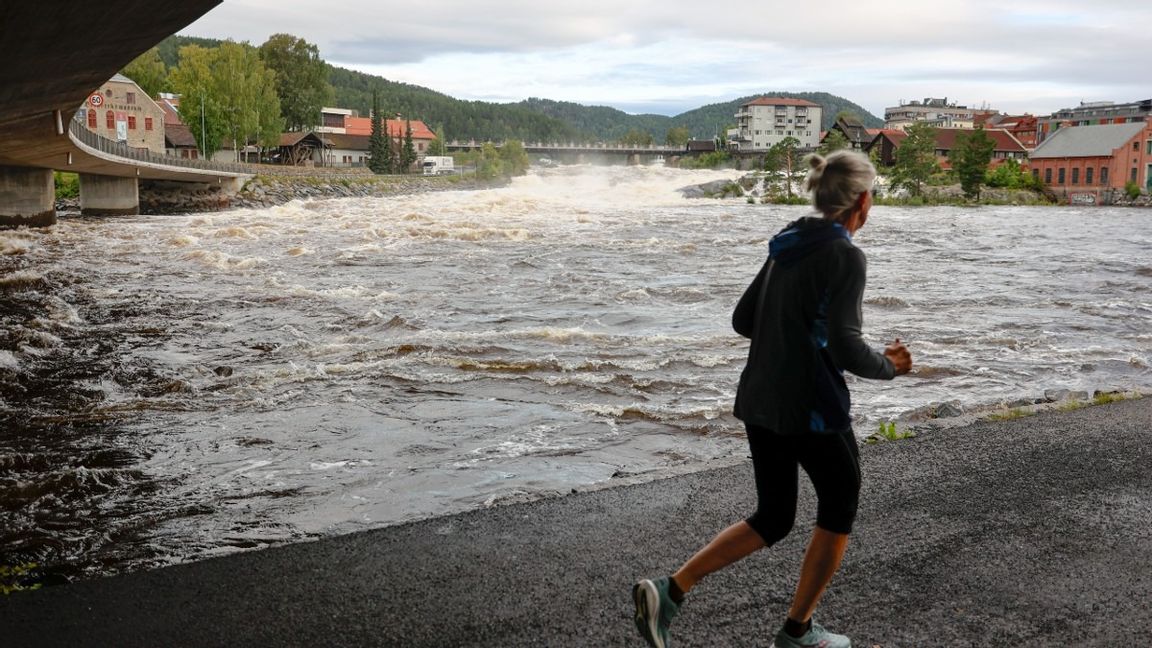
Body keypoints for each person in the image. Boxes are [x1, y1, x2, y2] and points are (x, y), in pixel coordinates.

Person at [632, 150, 912, 648]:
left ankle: (669, 591)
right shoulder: (845, 254)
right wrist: (890, 366)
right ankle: (797, 632)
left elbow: (743, 320)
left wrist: (792, 324)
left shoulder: (788, 241)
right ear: (862, 202)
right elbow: (847, 346)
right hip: (811, 407)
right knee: (840, 503)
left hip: (760, 397)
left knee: (775, 515)